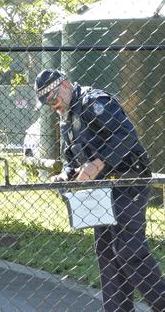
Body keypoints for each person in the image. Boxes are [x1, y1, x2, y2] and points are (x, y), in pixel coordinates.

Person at [35, 69, 165, 311]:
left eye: (53, 98)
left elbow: (125, 135)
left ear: (64, 85)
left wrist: (97, 163)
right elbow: (71, 158)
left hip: (128, 181)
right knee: (106, 251)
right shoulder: (67, 117)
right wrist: (68, 172)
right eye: (47, 103)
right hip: (101, 190)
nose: (52, 106)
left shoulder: (94, 102)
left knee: (128, 248)